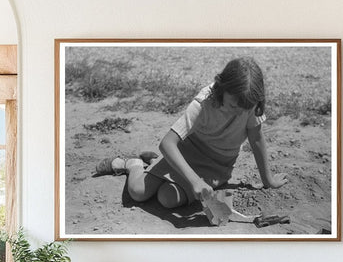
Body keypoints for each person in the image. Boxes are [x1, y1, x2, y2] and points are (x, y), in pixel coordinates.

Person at [98, 56, 288, 209]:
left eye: (245, 109)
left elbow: (256, 139)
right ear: (222, 89)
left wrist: (268, 180)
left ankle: (155, 163)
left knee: (168, 198)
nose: (239, 112)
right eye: (233, 105)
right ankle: (134, 164)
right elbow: (167, 143)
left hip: (217, 166)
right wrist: (195, 181)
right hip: (187, 152)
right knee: (138, 192)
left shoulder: (248, 104)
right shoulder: (204, 103)